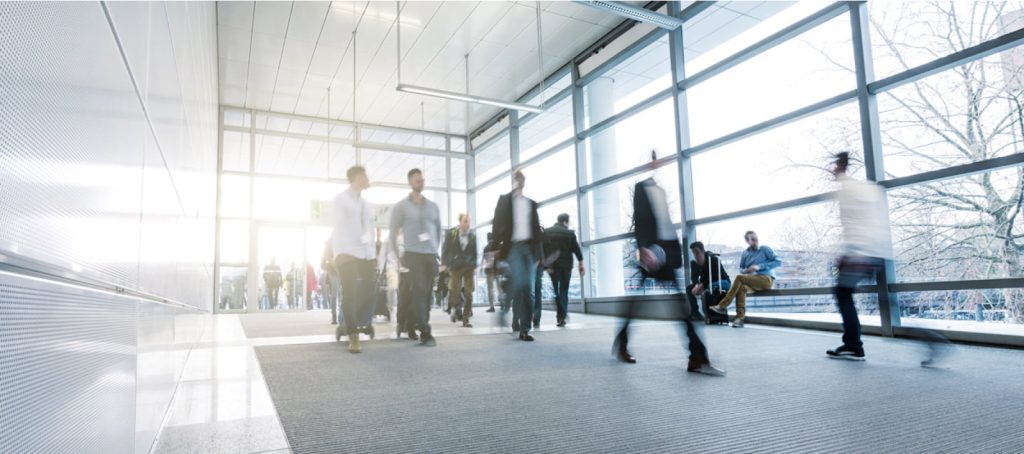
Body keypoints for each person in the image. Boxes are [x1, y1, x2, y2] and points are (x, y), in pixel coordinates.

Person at [616, 150, 724, 376]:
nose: (658, 162)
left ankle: (696, 356)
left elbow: (664, 223)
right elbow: (640, 221)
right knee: (646, 302)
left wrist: (673, 253)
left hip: (666, 252)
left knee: (678, 304)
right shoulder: (641, 189)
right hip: (651, 252)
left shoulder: (661, 191)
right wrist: (644, 249)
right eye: (653, 160)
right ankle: (696, 356)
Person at [826, 152, 890, 361]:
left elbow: (856, 226)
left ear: (841, 166)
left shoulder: (849, 190)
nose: (832, 170)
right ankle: (853, 343)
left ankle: (853, 344)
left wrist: (854, 254)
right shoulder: (866, 188)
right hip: (874, 252)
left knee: (843, 293)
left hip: (863, 254)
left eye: (835, 166)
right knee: (883, 301)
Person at [389, 168, 442, 347]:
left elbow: (438, 230)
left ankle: (411, 323)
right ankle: (425, 331)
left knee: (426, 295)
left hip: (430, 255)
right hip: (413, 254)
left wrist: (436, 251)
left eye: (422, 180)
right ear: (410, 182)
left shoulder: (433, 206)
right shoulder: (401, 206)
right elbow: (393, 232)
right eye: (418, 180)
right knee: (419, 290)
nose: (421, 182)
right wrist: (398, 255)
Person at [492, 169, 544, 341]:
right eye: (516, 177)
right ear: (513, 181)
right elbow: (497, 224)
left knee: (528, 289)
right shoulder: (504, 200)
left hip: (529, 249)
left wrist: (538, 255)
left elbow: (537, 230)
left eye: (522, 177)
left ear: (524, 181)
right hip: (512, 247)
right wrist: (495, 248)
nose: (519, 180)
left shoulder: (531, 203)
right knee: (520, 280)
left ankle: (524, 330)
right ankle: (505, 308)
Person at [332, 166, 377, 353]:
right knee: (350, 292)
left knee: (369, 290)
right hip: (346, 252)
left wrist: (372, 254)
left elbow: (369, 231)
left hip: (365, 253)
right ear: (357, 178)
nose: (368, 178)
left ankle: (352, 323)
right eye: (365, 175)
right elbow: (341, 227)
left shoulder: (367, 205)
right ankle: (353, 335)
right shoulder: (340, 200)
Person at [708, 231, 781, 328]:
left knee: (739, 278)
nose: (755, 241)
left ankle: (723, 305)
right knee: (742, 288)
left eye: (755, 239)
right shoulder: (745, 253)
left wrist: (759, 267)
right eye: (752, 239)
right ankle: (740, 319)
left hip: (766, 279)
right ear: (747, 241)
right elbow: (741, 269)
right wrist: (747, 271)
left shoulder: (765, 249)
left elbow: (778, 262)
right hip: (752, 281)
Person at [545, 213, 585, 327]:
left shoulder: (547, 232)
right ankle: (562, 316)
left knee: (556, 291)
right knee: (564, 291)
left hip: (553, 266)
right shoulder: (570, 233)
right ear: (565, 222)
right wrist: (581, 264)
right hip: (566, 266)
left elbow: (544, 248)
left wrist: (546, 265)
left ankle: (560, 315)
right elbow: (576, 249)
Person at [442, 213, 478, 328]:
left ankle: (466, 319)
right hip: (456, 267)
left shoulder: (472, 235)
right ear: (460, 222)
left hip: (468, 267)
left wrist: (474, 265)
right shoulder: (451, 234)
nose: (468, 224)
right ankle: (453, 309)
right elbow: (445, 250)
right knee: (455, 291)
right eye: (465, 221)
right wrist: (445, 264)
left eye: (469, 221)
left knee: (468, 293)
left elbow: (475, 252)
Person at [687, 241, 730, 322]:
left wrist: (702, 285)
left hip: (723, 282)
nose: (695, 255)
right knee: (689, 288)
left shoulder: (713, 259)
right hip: (708, 283)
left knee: (710, 286)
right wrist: (696, 284)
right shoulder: (694, 263)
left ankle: (713, 315)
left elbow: (715, 276)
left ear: (703, 251)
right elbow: (694, 280)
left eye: (697, 252)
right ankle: (695, 313)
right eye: (693, 253)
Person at [320, 240, 339, 324]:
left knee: (343, 295)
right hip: (333, 274)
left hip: (342, 272)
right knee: (334, 295)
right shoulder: (326, 250)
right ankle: (334, 315)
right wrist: (330, 267)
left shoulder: (339, 246)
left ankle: (343, 316)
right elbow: (322, 265)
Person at [481, 232, 500, 312]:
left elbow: (484, 260)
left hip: (489, 271)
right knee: (499, 288)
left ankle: (492, 306)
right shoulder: (497, 246)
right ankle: (503, 303)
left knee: (490, 289)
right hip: (497, 269)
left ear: (487, 238)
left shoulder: (486, 248)